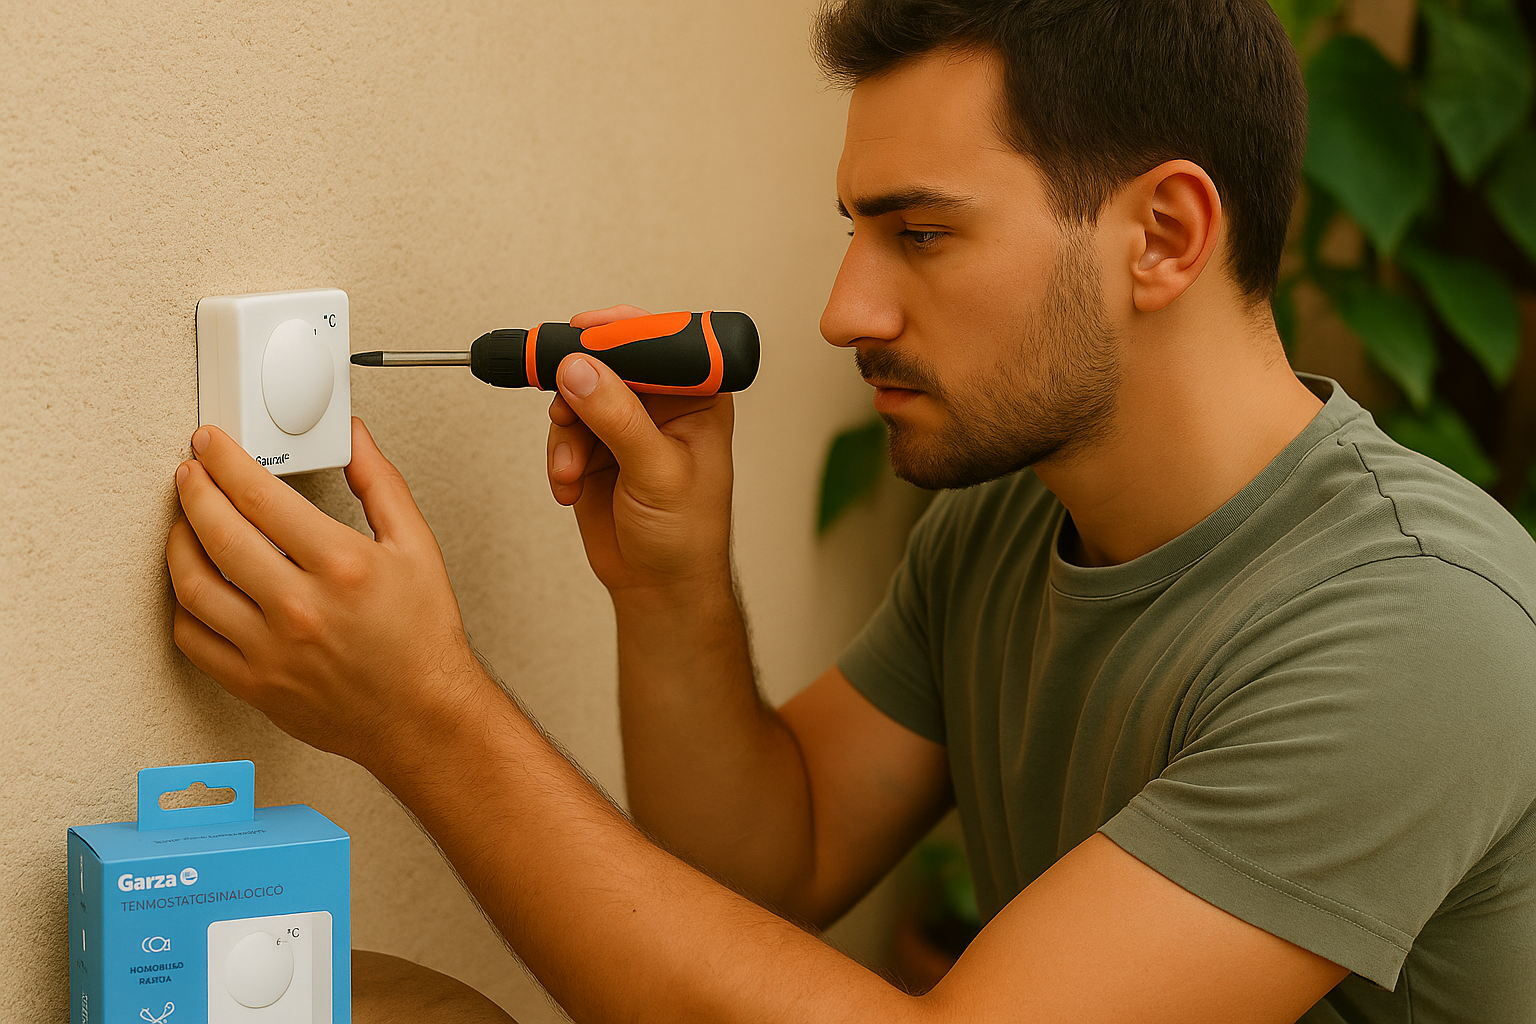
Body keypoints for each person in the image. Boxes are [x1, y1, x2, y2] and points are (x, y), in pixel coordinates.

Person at [164, 1, 1536, 1021]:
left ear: (1165, 236)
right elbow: (774, 863)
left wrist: (426, 718)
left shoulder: (1421, 628)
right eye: (854, 232)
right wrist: (674, 585)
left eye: (921, 234)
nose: (845, 312)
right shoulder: (1009, 525)